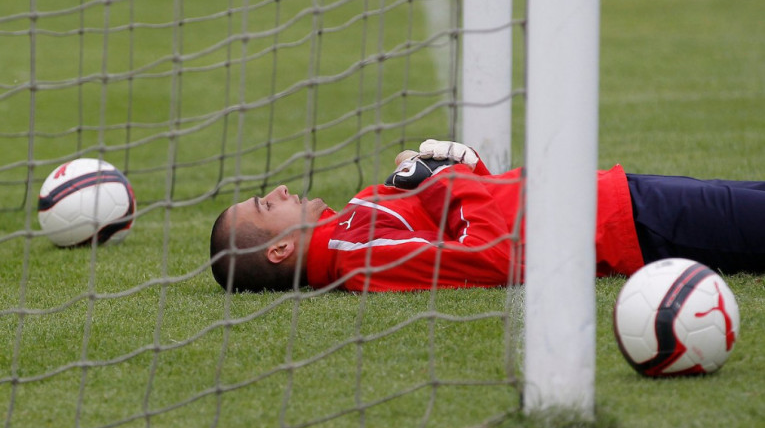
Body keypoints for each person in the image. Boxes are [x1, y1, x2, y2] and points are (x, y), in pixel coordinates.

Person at [210, 139, 765, 292]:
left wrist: (459, 167)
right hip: (622, 225)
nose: (278, 190)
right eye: (265, 205)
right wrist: (446, 178)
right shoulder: (357, 257)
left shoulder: (351, 220)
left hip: (606, 195)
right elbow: (490, 255)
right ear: (279, 250)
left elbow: (470, 209)